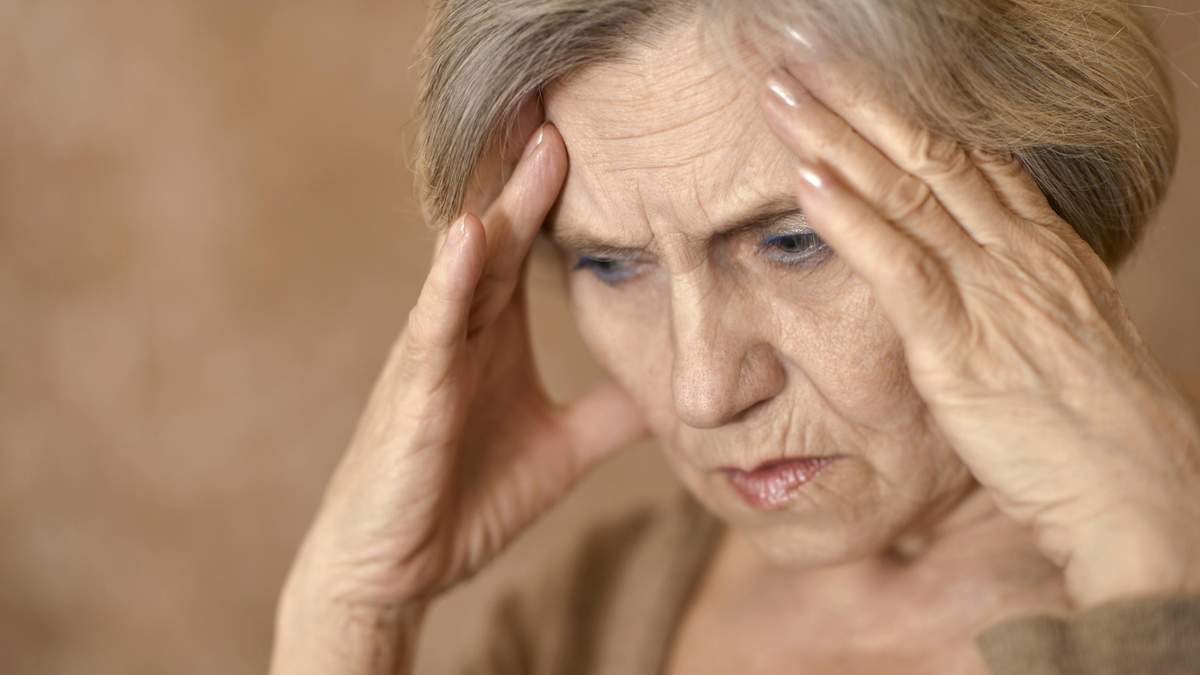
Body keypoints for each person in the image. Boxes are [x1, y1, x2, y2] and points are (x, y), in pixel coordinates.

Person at [270, 1, 1200, 673]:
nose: (705, 391)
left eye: (794, 242)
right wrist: (349, 611)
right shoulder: (586, 617)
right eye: (612, 264)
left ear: (1040, 205)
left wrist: (1159, 580)